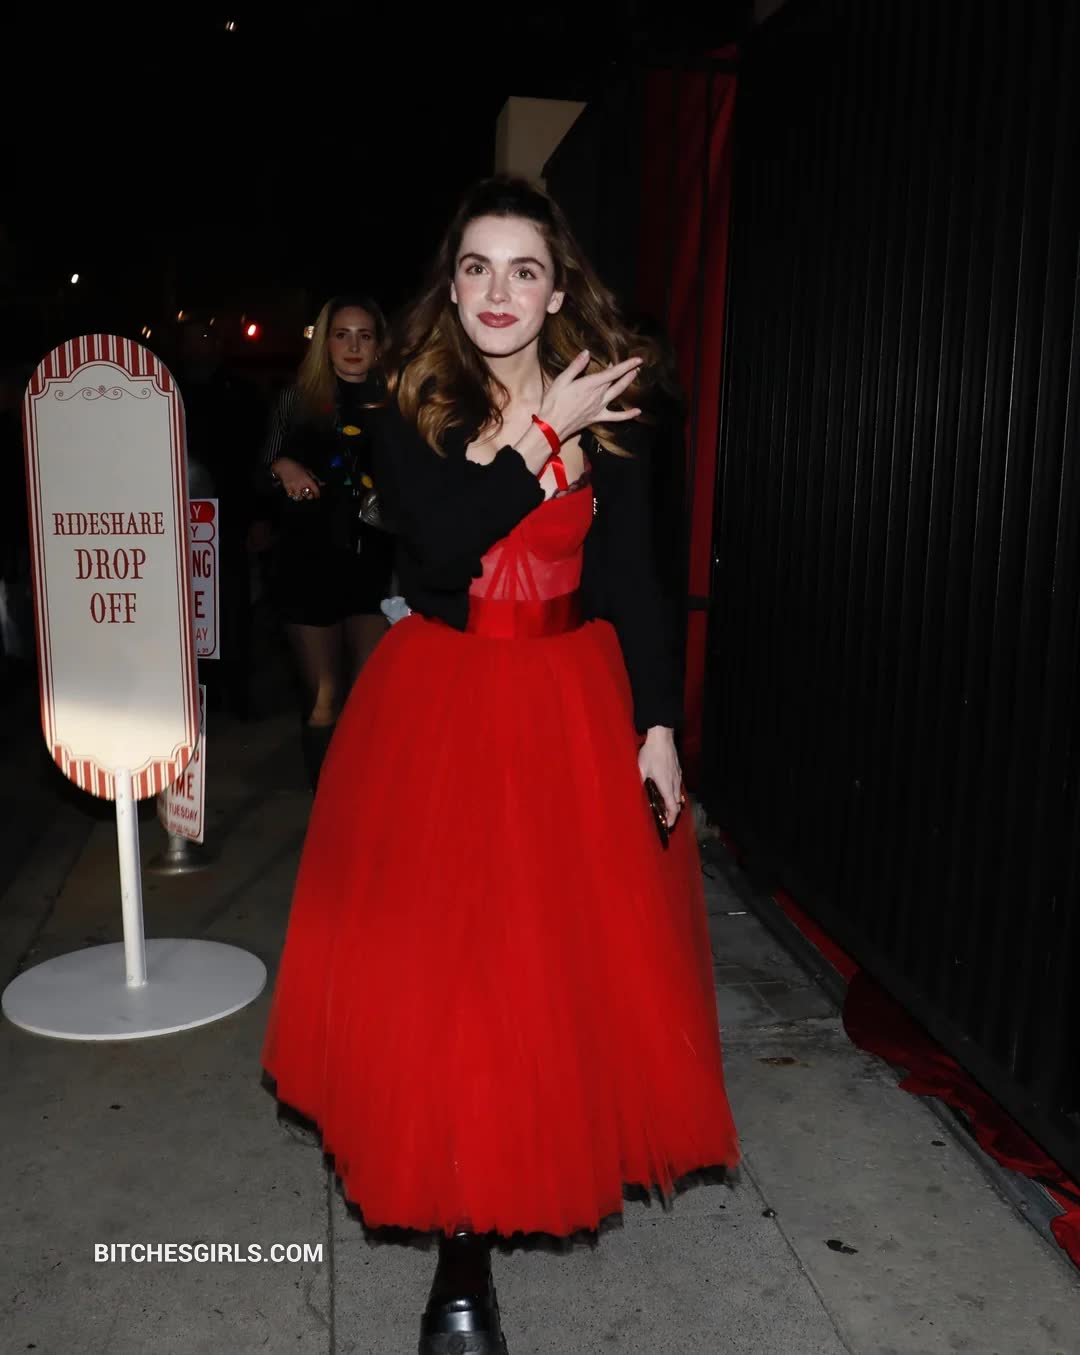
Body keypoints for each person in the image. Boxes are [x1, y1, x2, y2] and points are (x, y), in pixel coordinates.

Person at [262, 177, 738, 1354]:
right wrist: (541, 432)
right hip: (441, 704)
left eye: (525, 269)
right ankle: (460, 1258)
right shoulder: (407, 400)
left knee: (544, 968)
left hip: (567, 702)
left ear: (558, 289)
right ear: (453, 281)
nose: (498, 291)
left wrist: (658, 722)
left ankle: (521, 1154)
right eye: (476, 266)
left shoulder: (610, 406)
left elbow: (631, 578)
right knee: (453, 977)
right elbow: (441, 539)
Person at [260, 294, 395, 786]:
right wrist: (283, 466)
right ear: (325, 342)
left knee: (369, 697)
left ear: (379, 345)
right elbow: (262, 468)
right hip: (309, 562)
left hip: (374, 564)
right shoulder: (298, 398)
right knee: (324, 699)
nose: (353, 346)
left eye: (365, 335)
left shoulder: (396, 401)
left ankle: (360, 802)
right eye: (342, 335)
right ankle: (327, 805)